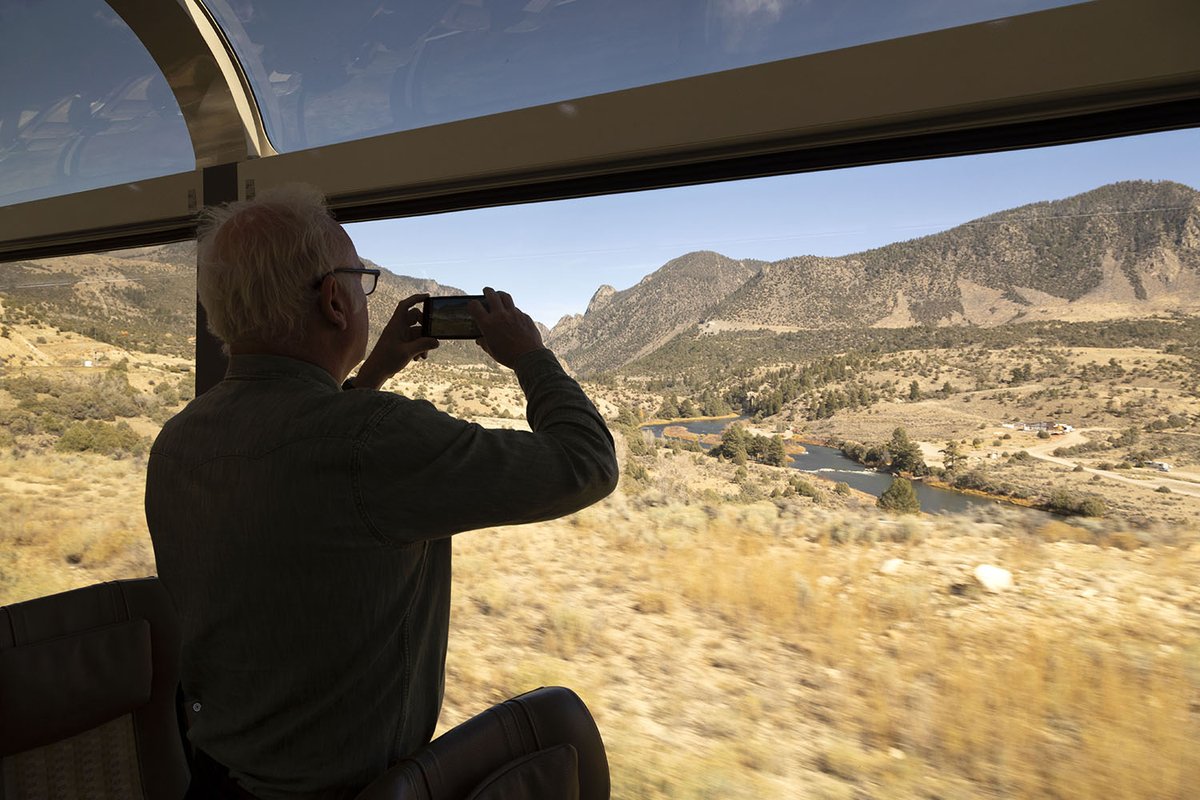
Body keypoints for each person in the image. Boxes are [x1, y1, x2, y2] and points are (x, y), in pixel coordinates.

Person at [145, 184, 618, 800]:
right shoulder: (378, 440)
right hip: (354, 790)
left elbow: (306, 478)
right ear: (335, 302)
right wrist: (531, 356)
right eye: (359, 281)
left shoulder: (175, 443)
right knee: (559, 732)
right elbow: (586, 462)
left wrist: (371, 371)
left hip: (211, 778)